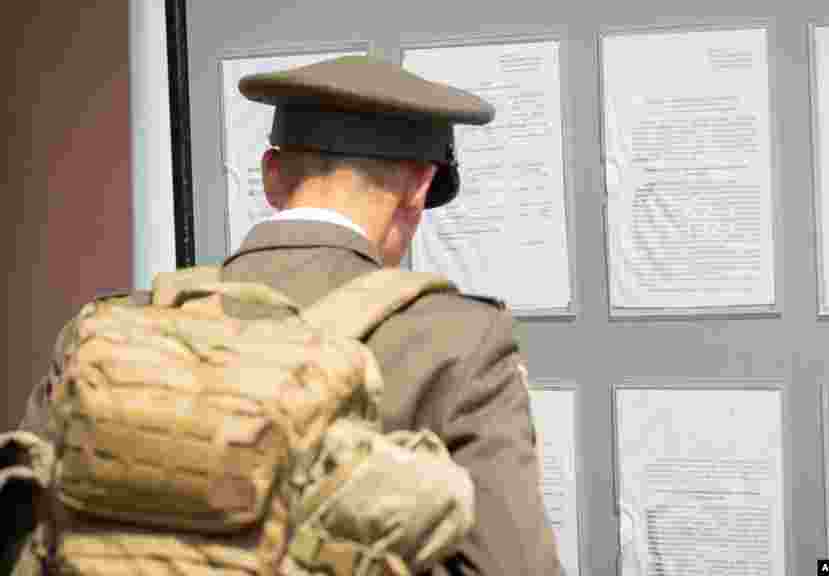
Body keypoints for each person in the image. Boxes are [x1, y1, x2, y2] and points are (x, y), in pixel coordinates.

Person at [17, 54, 563, 575]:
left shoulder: (109, 331)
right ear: (420, 187)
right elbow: (513, 565)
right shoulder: (460, 341)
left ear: (271, 175)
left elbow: (21, 537)